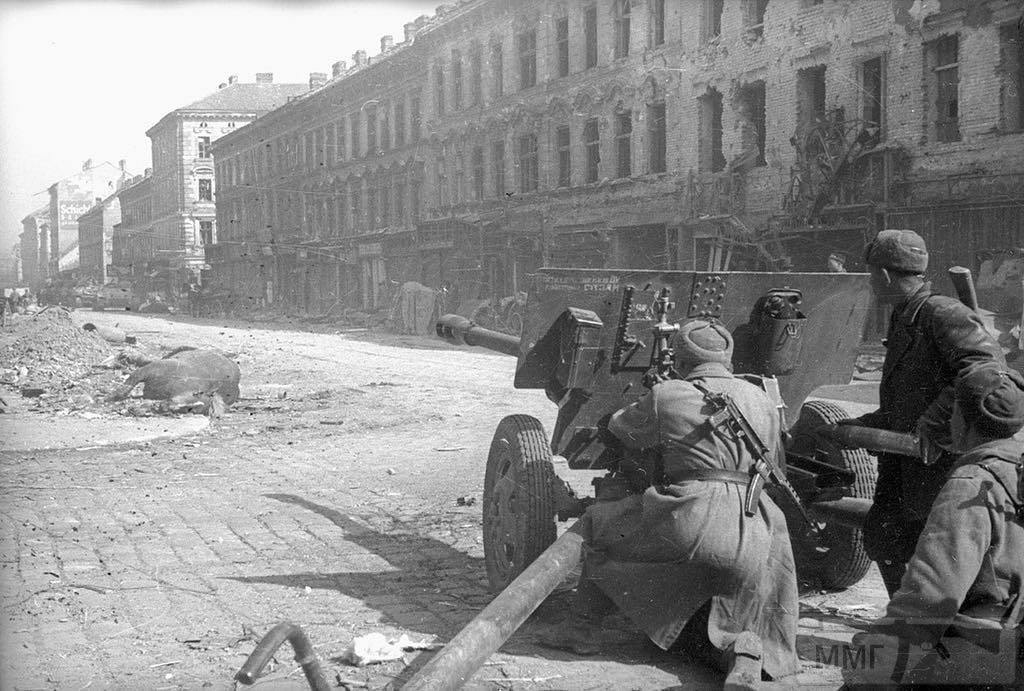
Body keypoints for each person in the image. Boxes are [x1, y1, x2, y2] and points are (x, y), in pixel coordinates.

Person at [544, 319, 800, 687]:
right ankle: (743, 652)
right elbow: (776, 459)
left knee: (598, 525)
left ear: (680, 360)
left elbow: (620, 429)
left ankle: (581, 630)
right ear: (727, 360)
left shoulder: (670, 393)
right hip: (756, 522)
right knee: (726, 593)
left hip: (692, 515)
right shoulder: (762, 399)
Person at [844, 229, 1005, 596]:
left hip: (942, 465)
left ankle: (962, 636)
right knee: (884, 538)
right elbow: (911, 392)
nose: (871, 284)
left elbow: (987, 368)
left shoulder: (940, 312)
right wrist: (868, 425)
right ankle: (908, 625)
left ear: (883, 276)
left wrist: (933, 423)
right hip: (905, 463)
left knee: (948, 559)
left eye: (871, 276)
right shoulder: (906, 316)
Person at [846, 364, 1024, 686]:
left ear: (964, 421)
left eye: (954, 410)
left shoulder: (971, 485)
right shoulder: (1017, 473)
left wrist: (867, 674)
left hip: (985, 660)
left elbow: (926, 602)